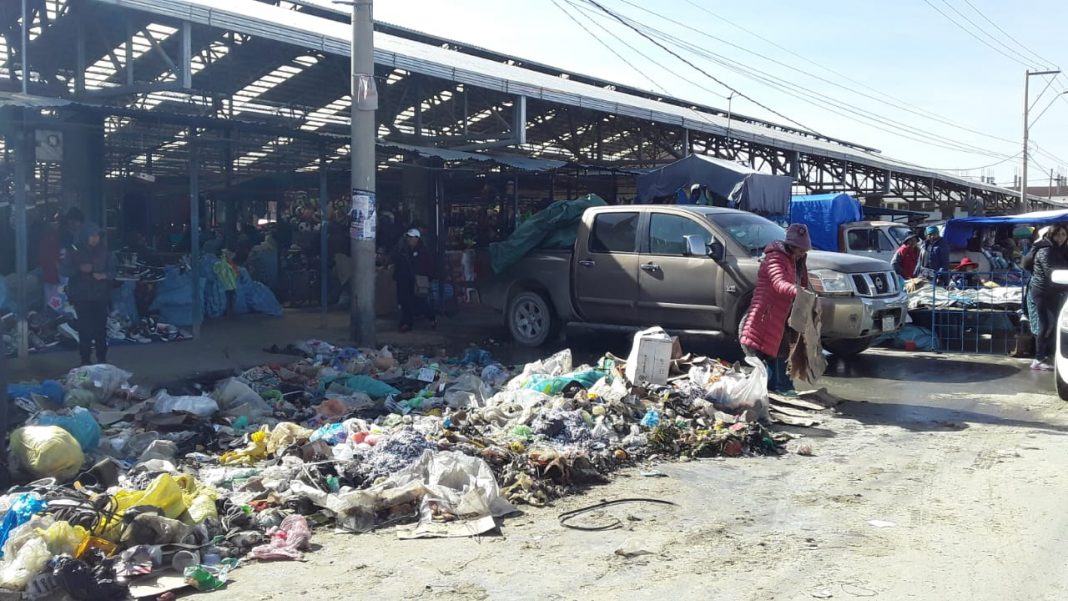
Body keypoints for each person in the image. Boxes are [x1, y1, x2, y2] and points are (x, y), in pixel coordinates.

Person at [739, 223, 811, 394]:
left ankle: (774, 386)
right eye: (800, 250)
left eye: (804, 251)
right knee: (771, 349)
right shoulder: (775, 258)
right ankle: (780, 386)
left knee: (777, 348)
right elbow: (778, 283)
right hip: (767, 311)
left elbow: (799, 281)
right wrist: (797, 291)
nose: (803, 254)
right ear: (791, 246)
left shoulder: (795, 259)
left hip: (781, 312)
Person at [63, 223, 115, 366]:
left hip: (100, 296)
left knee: (101, 329)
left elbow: (113, 271)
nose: (95, 239)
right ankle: (85, 360)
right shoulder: (74, 252)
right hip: (82, 297)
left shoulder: (106, 252)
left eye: (97, 236)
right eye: (92, 236)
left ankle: (102, 358)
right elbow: (64, 271)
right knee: (84, 329)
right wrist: (79, 268)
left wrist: (104, 275)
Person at [1026, 224, 1068, 371]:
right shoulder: (1046, 250)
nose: (1061, 238)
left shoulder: (1061, 249)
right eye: (1057, 235)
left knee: (1055, 323)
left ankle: (1049, 354)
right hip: (1043, 291)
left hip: (1055, 291)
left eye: (1063, 234)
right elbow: (1051, 272)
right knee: (1046, 324)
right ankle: (1038, 359)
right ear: (1050, 235)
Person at [392, 228, 436, 333]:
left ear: (417, 239)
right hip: (403, 280)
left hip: (416, 281)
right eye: (409, 237)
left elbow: (427, 266)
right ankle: (406, 323)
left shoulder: (422, 251)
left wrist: (427, 278)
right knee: (405, 302)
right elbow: (397, 262)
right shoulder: (402, 249)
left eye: (413, 238)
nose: (410, 240)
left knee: (418, 302)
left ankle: (430, 316)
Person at [213, 249, 239, 318]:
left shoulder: (229, 265)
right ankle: (229, 314)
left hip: (231, 286)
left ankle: (231, 314)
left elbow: (235, 274)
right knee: (228, 301)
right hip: (227, 286)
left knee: (231, 301)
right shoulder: (221, 265)